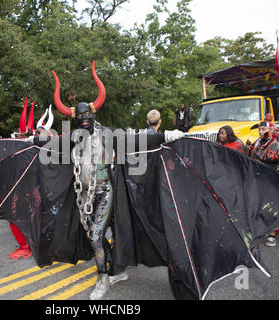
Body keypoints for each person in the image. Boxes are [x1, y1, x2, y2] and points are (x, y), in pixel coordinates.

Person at [30, 61, 185, 300]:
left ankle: (103, 278)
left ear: (94, 114)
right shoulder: (74, 138)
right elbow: (52, 145)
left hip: (105, 191)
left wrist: (166, 136)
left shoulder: (108, 134)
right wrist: (30, 142)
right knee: (96, 236)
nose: (83, 120)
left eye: (87, 115)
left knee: (95, 236)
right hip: (83, 196)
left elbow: (137, 142)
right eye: (79, 117)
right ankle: (116, 270)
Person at [247, 121, 279, 247]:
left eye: (263, 129)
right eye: (259, 129)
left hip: (274, 180)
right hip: (259, 180)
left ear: (271, 130)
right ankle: (258, 231)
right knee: (257, 206)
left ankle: (272, 234)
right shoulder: (257, 143)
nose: (260, 131)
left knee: (271, 207)